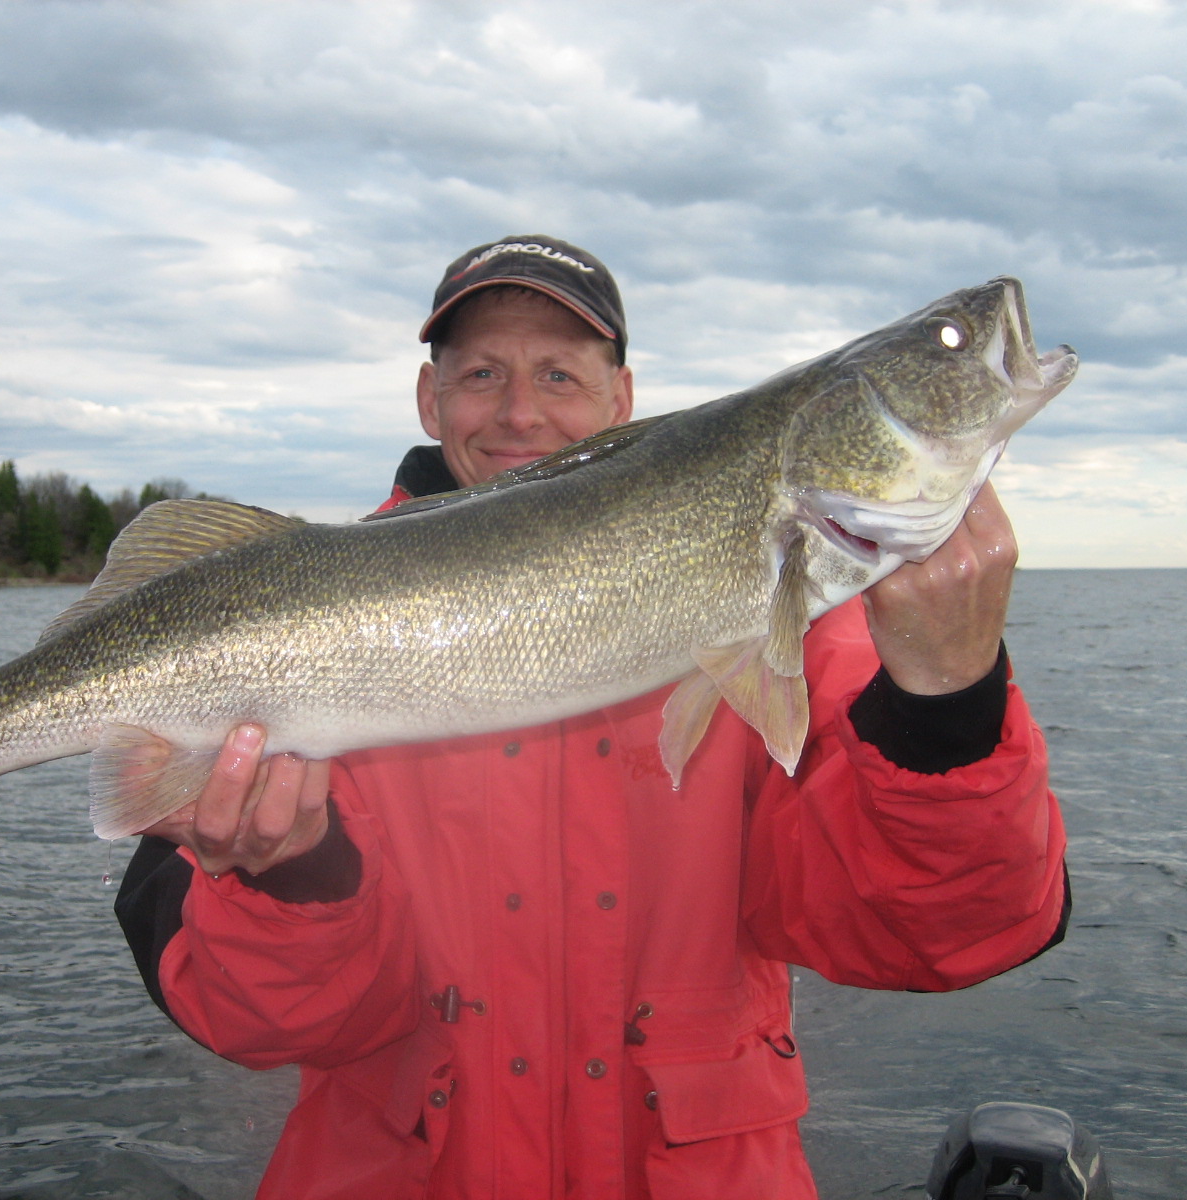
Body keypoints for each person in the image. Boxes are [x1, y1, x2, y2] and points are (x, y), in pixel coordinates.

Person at [116, 236, 1069, 1199]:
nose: (521, 409)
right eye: (482, 372)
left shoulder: (806, 645)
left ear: (622, 399)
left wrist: (950, 701)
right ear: (429, 399)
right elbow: (258, 1027)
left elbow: (939, 936)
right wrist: (288, 875)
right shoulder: (297, 627)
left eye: (560, 372)